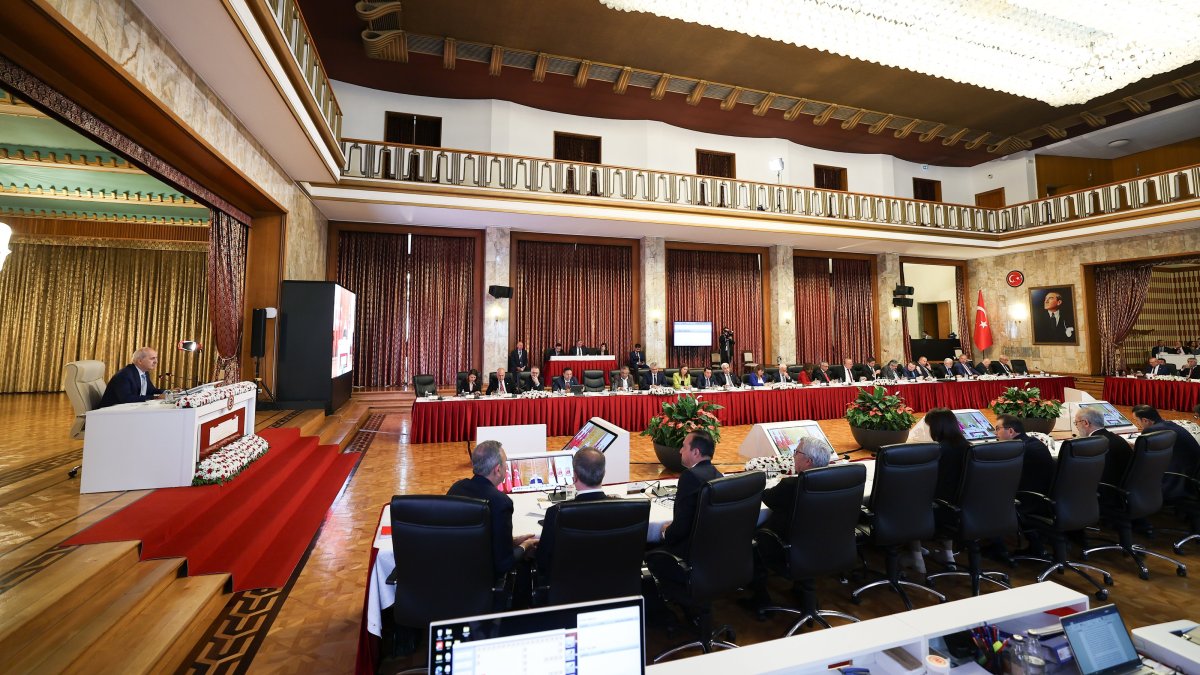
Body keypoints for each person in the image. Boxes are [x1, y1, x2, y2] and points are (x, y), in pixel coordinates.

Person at [744, 437, 833, 610]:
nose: (793, 456)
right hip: (828, 548)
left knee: (753, 540)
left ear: (807, 461)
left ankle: (760, 600)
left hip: (790, 549)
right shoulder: (838, 481)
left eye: (796, 452)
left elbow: (767, 497)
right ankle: (802, 589)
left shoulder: (790, 486)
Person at [447, 441, 538, 578]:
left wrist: (512, 541)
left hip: (453, 568)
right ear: (497, 469)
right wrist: (526, 545)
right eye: (505, 463)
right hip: (483, 578)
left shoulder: (456, 488)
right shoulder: (501, 502)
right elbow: (504, 563)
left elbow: (474, 539)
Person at [535, 447, 608, 576]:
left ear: (574, 476)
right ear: (603, 473)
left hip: (567, 588)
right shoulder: (629, 508)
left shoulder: (555, 512)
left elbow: (543, 561)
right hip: (615, 584)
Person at [657, 430, 723, 554]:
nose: (680, 451)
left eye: (683, 446)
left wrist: (665, 532)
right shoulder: (718, 475)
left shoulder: (690, 476)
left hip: (688, 552)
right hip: (713, 551)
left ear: (696, 452)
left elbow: (681, 526)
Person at [1131, 404, 1200, 500]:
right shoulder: (1169, 424)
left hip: (1179, 478)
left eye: (1136, 420)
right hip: (1192, 474)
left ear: (1145, 420)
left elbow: (1144, 457)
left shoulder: (1152, 431)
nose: (1137, 424)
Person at [995, 415, 1054, 496]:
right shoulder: (1035, 442)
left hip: (1027, 501)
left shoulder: (1017, 450)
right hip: (1044, 497)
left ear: (1011, 431)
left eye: (997, 429)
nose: (995, 433)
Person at [1074, 405, 1130, 489]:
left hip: (1107, 493)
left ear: (1085, 423)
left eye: (1076, 423)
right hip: (1125, 489)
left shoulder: (1093, 444)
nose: (1076, 427)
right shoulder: (1117, 438)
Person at [926, 408, 971, 503]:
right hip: (965, 501)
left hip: (942, 502)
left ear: (936, 427)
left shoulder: (938, 450)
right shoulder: (968, 446)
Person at [98, 347, 163, 408]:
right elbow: (126, 399)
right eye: (152, 358)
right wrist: (155, 398)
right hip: (110, 412)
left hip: (130, 408)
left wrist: (169, 392)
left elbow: (151, 390)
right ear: (140, 361)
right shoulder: (124, 375)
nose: (156, 362)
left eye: (156, 358)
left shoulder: (144, 372)